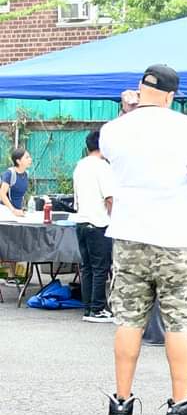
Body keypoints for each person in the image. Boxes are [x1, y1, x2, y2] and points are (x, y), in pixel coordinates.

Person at [100, 64, 187, 415]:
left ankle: (120, 408)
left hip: (128, 238)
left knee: (128, 320)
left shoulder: (112, 130)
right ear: (170, 95)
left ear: (139, 89)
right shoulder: (184, 127)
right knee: (179, 323)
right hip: (176, 241)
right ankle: (179, 410)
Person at [72, 131, 115, 323]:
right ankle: (98, 308)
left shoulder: (79, 166)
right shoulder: (102, 167)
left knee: (87, 267)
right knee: (100, 268)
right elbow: (110, 198)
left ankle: (88, 307)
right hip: (98, 222)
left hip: (81, 221)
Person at [1, 147, 31, 216]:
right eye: (27, 157)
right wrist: (13, 210)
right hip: (6, 212)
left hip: (18, 211)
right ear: (18, 161)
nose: (30, 159)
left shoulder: (26, 174)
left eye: (29, 157)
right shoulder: (9, 174)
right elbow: (2, 194)